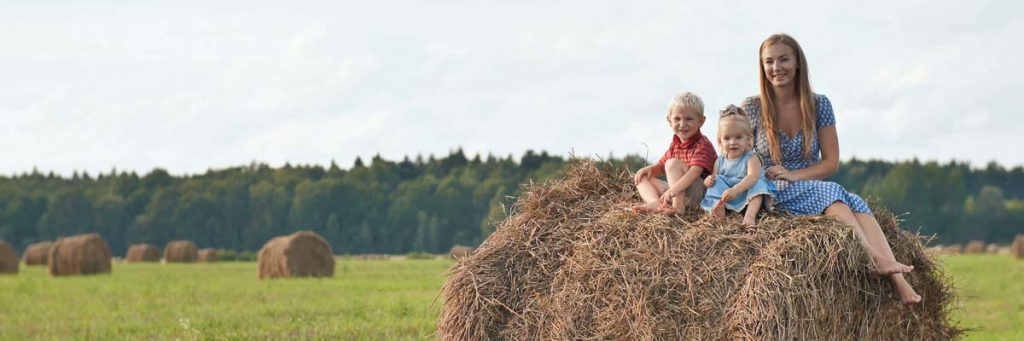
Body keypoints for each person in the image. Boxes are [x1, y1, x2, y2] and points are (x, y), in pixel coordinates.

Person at [741, 33, 921, 304]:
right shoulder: (752, 107)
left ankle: (898, 280)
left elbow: (830, 162)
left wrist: (794, 175)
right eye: (769, 62)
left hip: (807, 183)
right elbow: (735, 154)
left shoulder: (819, 104)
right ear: (762, 66)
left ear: (798, 63)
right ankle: (874, 259)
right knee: (832, 193)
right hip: (768, 187)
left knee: (856, 202)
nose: (776, 68)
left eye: (783, 59)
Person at [632, 91, 717, 216]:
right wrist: (649, 169)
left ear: (701, 121)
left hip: (699, 192)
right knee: (641, 177)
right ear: (669, 121)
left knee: (672, 164)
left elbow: (695, 173)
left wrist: (673, 191)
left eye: (689, 119)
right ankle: (656, 203)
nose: (682, 124)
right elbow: (661, 167)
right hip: (678, 191)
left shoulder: (702, 144)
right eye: (677, 119)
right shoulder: (675, 144)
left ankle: (678, 208)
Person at [699, 105, 775, 226]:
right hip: (728, 194)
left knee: (758, 185)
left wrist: (735, 190)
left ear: (748, 139)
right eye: (727, 138)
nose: (732, 142)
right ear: (720, 141)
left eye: (738, 137)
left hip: (746, 192)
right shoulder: (720, 161)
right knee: (716, 181)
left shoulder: (751, 157)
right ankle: (719, 208)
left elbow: (753, 177)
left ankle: (750, 216)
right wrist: (708, 181)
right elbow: (714, 178)